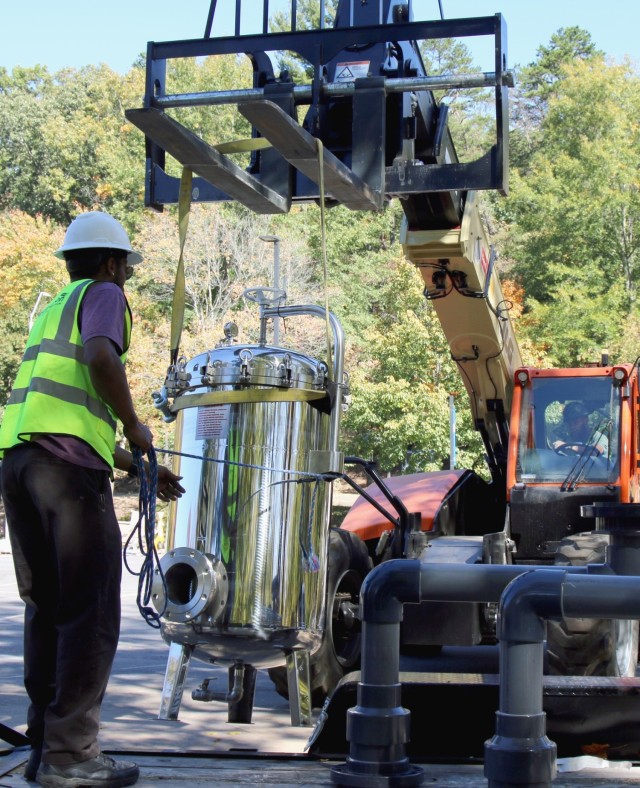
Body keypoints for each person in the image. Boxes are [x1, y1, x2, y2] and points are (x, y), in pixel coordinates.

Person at [0, 211, 185, 788]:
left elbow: (67, 415)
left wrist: (138, 468)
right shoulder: (104, 294)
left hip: (22, 465)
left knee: (49, 609)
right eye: (125, 266)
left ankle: (45, 748)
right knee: (91, 611)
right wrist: (135, 426)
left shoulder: (54, 308)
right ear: (111, 262)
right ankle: (72, 757)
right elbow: (101, 361)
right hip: (65, 475)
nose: (125, 276)